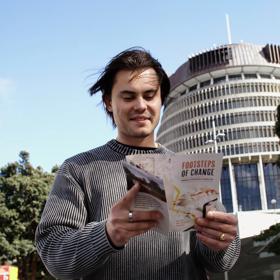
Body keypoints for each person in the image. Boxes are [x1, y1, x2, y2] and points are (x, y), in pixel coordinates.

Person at [35, 47, 240, 280]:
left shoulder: (187, 170)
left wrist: (222, 242)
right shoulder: (78, 169)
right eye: (128, 96)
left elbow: (219, 263)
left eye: (149, 94)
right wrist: (107, 234)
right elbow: (54, 256)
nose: (141, 105)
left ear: (161, 99)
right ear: (108, 103)